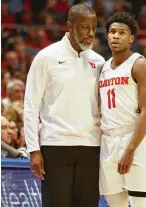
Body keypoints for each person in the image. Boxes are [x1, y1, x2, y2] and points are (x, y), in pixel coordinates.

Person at [24, 4, 105, 207]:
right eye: (85, 27)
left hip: (91, 147)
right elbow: (31, 105)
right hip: (55, 145)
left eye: (94, 27)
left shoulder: (100, 61)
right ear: (69, 26)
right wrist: (33, 150)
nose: (90, 33)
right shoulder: (46, 57)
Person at [99, 12, 146, 207]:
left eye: (122, 32)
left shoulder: (140, 64)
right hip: (109, 139)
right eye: (112, 32)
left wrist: (130, 149)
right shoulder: (103, 67)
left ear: (131, 38)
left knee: (140, 203)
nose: (115, 36)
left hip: (135, 138)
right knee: (115, 203)